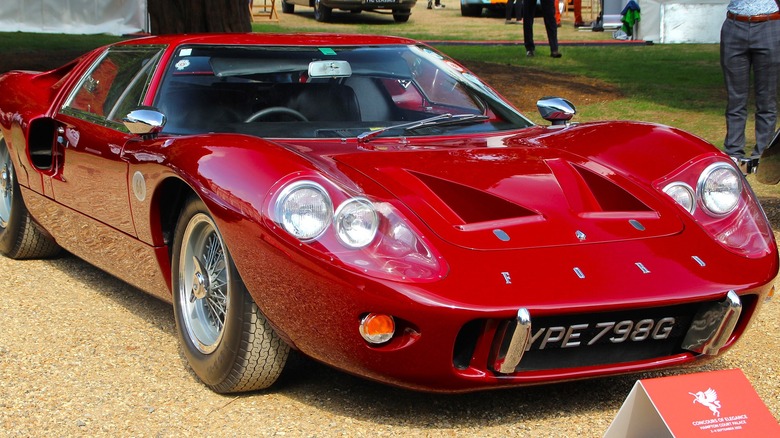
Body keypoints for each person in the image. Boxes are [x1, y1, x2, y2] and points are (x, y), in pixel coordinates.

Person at [721, 0, 780, 169]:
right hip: (734, 24)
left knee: (767, 99)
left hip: (769, 24)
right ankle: (733, 152)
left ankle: (763, 155)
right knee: (735, 99)